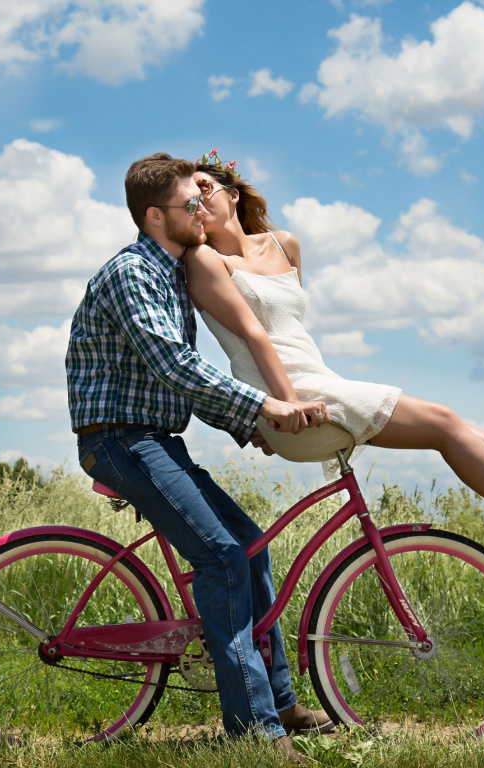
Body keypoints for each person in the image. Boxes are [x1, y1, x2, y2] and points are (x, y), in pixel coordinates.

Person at [183, 149, 484, 558]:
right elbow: (256, 339)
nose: (198, 202)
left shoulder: (285, 245)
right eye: (188, 200)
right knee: (445, 424)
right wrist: (281, 406)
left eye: (204, 189)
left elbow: (292, 332)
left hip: (316, 382)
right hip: (289, 398)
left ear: (233, 193)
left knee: (453, 425)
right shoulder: (205, 261)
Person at [65, 153, 332, 759]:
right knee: (222, 558)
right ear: (157, 215)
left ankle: (282, 704)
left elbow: (180, 384)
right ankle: (254, 731)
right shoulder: (134, 273)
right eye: (192, 204)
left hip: (156, 439)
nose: (202, 212)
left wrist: (251, 424)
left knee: (250, 546)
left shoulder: (172, 274)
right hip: (119, 440)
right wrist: (266, 406)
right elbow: (174, 366)